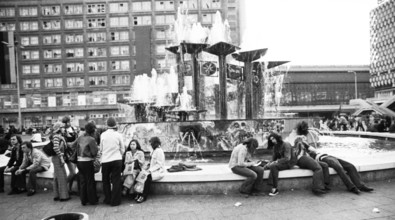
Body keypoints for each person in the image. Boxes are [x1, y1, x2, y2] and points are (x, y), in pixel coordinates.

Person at [304, 142, 374, 194]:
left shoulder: (311, 148)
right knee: (339, 168)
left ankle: (360, 185)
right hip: (324, 159)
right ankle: (352, 187)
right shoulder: (306, 154)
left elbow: (310, 146)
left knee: (350, 166)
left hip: (331, 157)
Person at [99, 117, 125, 206]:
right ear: (115, 125)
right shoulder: (118, 135)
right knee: (116, 180)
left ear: (107, 125)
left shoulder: (102, 135)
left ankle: (107, 199)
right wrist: (119, 155)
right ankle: (115, 201)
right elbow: (122, 148)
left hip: (105, 160)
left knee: (105, 180)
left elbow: (101, 149)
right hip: (117, 160)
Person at [72, 122, 99, 206]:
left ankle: (83, 200)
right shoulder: (91, 139)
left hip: (79, 162)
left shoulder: (80, 137)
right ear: (92, 130)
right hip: (88, 162)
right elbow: (94, 152)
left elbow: (72, 145)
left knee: (83, 181)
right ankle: (92, 200)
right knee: (90, 181)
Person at [135, 136, 165, 203]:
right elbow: (151, 162)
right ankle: (138, 193)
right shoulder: (154, 151)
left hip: (158, 171)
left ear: (155, 143)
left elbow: (159, 164)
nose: (150, 145)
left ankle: (143, 196)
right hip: (152, 170)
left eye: (151, 143)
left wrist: (150, 170)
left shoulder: (159, 151)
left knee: (147, 177)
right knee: (141, 173)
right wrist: (146, 167)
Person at [50, 122, 70, 201]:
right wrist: (61, 157)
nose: (63, 129)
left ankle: (56, 195)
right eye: (62, 127)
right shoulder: (56, 136)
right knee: (62, 176)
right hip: (58, 158)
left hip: (56, 158)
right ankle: (63, 196)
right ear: (59, 128)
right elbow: (56, 148)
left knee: (56, 177)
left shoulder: (56, 136)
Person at [61, 116, 78, 195]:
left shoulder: (73, 129)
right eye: (67, 122)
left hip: (74, 152)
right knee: (73, 173)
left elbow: (77, 139)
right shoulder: (62, 131)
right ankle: (63, 187)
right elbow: (63, 142)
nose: (68, 123)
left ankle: (69, 189)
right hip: (68, 153)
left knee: (73, 172)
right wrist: (68, 144)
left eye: (68, 122)